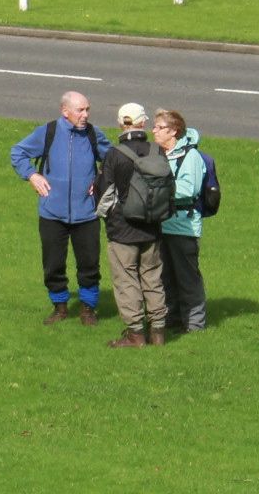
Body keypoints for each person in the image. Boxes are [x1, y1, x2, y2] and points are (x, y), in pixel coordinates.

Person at [9, 90, 107, 324]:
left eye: (87, 109)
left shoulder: (93, 134)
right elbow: (18, 152)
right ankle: (60, 307)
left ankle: (87, 309)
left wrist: (101, 180)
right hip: (52, 214)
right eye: (80, 110)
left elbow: (114, 160)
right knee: (53, 264)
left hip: (87, 214)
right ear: (65, 112)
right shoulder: (48, 132)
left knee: (89, 264)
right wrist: (32, 175)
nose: (86, 115)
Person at [98, 101, 171, 348]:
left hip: (122, 231)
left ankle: (135, 335)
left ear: (121, 123)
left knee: (126, 281)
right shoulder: (158, 151)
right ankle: (158, 333)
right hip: (152, 228)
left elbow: (105, 194)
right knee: (153, 278)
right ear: (143, 123)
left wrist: (108, 219)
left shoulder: (115, 154)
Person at [155, 108, 209, 335]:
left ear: (174, 131)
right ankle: (173, 318)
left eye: (159, 128)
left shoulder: (191, 157)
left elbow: (189, 189)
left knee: (188, 278)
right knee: (166, 276)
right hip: (163, 225)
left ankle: (195, 324)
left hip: (183, 227)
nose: (154, 131)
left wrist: (156, 191)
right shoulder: (159, 154)